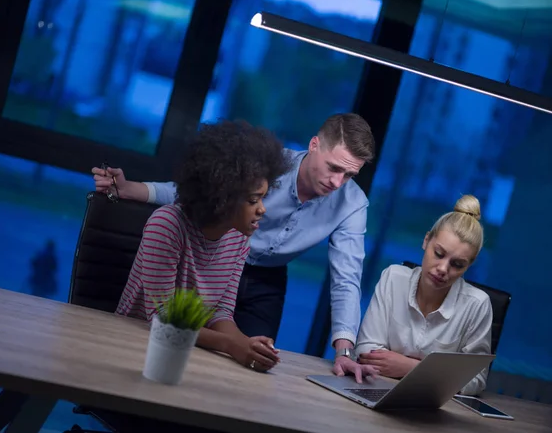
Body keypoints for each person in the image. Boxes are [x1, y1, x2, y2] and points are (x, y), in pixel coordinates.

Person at [93, 113, 378, 382]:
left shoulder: (351, 204)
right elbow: (199, 191)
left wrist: (343, 352)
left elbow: (346, 280)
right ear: (314, 145)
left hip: (262, 274)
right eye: (334, 168)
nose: (338, 182)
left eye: (349, 176)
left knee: (248, 369)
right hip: (204, 265)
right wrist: (132, 188)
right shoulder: (265, 168)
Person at [114, 120, 291, 373]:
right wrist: (231, 345)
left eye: (263, 198)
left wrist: (247, 344)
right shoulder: (167, 224)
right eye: (253, 200)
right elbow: (162, 319)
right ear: (223, 196)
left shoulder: (239, 237)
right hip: (134, 348)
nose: (262, 209)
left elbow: (220, 311)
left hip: (186, 350)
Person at [355, 195, 493, 395]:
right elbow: (365, 350)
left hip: (433, 409)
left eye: (457, 265)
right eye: (438, 253)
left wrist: (408, 367)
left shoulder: (477, 304)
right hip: (376, 390)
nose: (443, 269)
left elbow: (476, 380)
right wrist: (438, 375)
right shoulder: (393, 277)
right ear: (426, 241)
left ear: (469, 265)